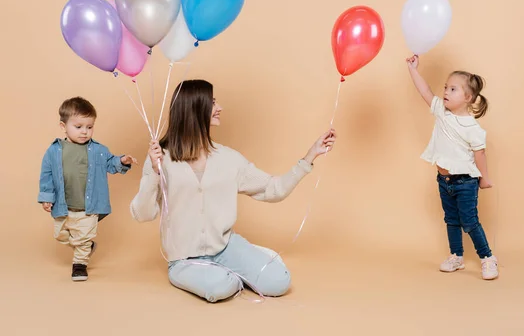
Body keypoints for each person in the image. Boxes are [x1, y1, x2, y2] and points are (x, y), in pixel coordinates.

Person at [130, 79, 337, 302]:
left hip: (226, 247)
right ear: (195, 108)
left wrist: (309, 156)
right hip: (184, 259)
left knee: (279, 282)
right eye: (212, 103)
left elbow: (273, 189)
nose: (219, 108)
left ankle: (249, 257)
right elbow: (143, 214)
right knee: (220, 288)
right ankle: (231, 270)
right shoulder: (162, 160)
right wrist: (154, 171)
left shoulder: (229, 158)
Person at [406, 55, 498, 280]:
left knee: (469, 221)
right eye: (446, 87)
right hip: (444, 181)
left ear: (468, 97)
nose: (445, 92)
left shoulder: (472, 128)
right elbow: (425, 92)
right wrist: (413, 69)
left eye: (453, 89)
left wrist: (484, 178)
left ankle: (487, 257)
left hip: (465, 182)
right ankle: (456, 256)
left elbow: (480, 154)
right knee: (451, 220)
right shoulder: (441, 112)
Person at [38, 97, 136, 281]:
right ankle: (85, 245)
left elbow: (111, 162)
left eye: (89, 127)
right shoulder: (54, 151)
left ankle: (80, 264)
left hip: (89, 206)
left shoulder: (99, 150)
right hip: (63, 204)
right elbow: (47, 175)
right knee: (59, 234)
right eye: (79, 127)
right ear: (63, 125)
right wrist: (46, 197)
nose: (85, 132)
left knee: (83, 238)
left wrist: (122, 161)